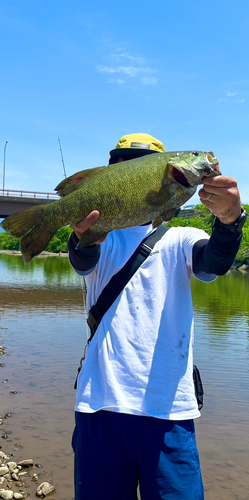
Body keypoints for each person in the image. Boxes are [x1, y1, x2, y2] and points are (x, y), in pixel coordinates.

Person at [68, 133, 246, 500]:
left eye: (141, 162)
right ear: (112, 171)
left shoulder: (182, 237)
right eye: (125, 161)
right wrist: (80, 236)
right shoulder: (102, 238)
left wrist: (230, 222)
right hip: (98, 404)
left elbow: (213, 262)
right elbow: (81, 259)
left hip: (169, 411)